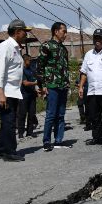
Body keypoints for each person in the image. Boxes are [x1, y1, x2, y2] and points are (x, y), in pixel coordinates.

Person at [0, 19, 31, 161]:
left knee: (7, 121)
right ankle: (9, 152)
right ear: (17, 32)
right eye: (24, 32)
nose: (26, 34)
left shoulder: (15, 48)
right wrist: (0, 93)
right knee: (9, 122)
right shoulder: (5, 47)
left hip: (12, 91)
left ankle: (0, 150)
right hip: (4, 92)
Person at [37, 21, 70, 151]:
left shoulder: (63, 49)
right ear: (56, 31)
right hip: (51, 85)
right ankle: (46, 141)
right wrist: (42, 86)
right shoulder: (46, 46)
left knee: (61, 115)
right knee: (51, 114)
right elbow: (40, 67)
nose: (65, 34)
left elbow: (65, 68)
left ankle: (58, 140)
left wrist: (67, 84)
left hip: (63, 86)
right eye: (64, 31)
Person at [17, 53, 39, 139]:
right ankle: (21, 133)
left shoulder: (31, 70)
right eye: (29, 60)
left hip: (32, 94)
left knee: (32, 113)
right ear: (25, 61)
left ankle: (30, 132)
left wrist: (37, 88)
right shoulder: (21, 70)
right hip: (24, 94)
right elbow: (25, 83)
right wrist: (36, 83)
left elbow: (34, 79)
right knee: (22, 114)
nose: (30, 62)